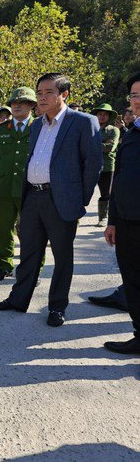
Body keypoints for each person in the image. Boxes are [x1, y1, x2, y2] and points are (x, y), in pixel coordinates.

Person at [0, 73, 102, 327]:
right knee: (28, 252)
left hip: (60, 199)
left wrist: (79, 199)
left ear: (64, 95)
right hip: (32, 196)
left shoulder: (83, 122)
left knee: (62, 256)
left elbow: (93, 164)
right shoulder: (37, 124)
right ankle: (18, 299)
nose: (42, 97)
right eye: (39, 93)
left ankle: (57, 307)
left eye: (48, 92)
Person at [102, 72, 140, 355]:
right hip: (126, 221)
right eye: (134, 96)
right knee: (132, 280)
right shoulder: (131, 133)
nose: (137, 101)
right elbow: (120, 180)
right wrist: (112, 221)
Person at [0, 87, 37, 282]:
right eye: (14, 103)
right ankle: (5, 265)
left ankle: (32, 268)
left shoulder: (40, 127)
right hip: (4, 188)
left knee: (32, 232)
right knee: (2, 229)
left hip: (30, 189)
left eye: (23, 102)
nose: (17, 105)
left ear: (32, 105)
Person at [91, 103, 120, 227]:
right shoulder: (90, 129)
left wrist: (93, 144)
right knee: (81, 192)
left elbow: (110, 148)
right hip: (90, 165)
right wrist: (102, 143)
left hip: (107, 167)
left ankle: (103, 217)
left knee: (106, 193)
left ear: (109, 117)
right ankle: (75, 219)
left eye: (105, 114)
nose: (102, 116)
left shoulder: (114, 130)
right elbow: (83, 145)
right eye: (99, 114)